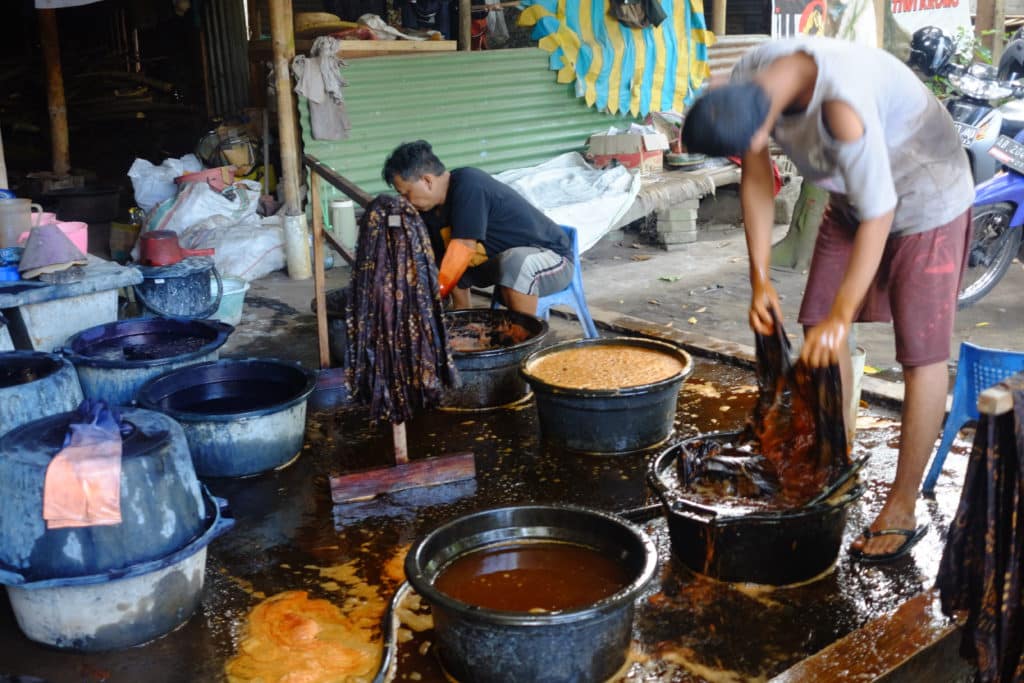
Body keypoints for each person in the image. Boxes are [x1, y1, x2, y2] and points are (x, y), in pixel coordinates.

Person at [681, 37, 973, 563]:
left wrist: (846, 315)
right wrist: (760, 279)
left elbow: (882, 213)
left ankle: (902, 508)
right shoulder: (752, 79)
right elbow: (756, 176)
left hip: (925, 192)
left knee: (920, 354)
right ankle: (831, 462)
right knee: (817, 328)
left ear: (763, 119)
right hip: (851, 191)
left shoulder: (842, 108)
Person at [382, 140, 573, 315]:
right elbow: (446, 263)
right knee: (446, 261)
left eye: (406, 193)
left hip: (553, 261)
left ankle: (524, 338)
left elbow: (464, 247)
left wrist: (434, 295)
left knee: (512, 262)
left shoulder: (469, 184)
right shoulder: (430, 210)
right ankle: (464, 316)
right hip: (500, 266)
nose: (406, 201)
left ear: (427, 181)